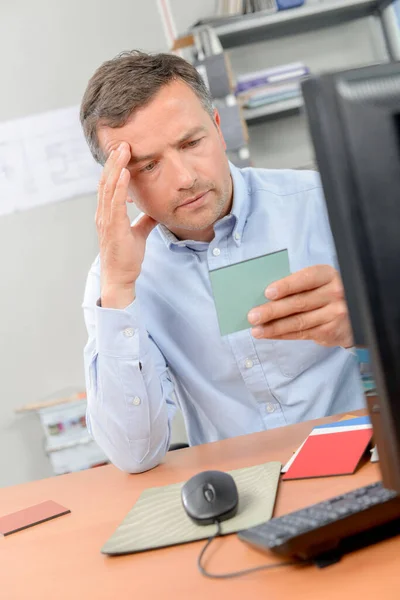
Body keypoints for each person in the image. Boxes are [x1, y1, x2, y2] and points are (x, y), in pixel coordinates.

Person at [80, 50, 364, 474]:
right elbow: (134, 455)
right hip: (243, 492)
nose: (184, 178)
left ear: (218, 128)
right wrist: (120, 289)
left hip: (366, 458)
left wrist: (368, 325)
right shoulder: (114, 280)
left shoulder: (325, 203)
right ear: (117, 184)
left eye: (191, 143)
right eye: (149, 165)